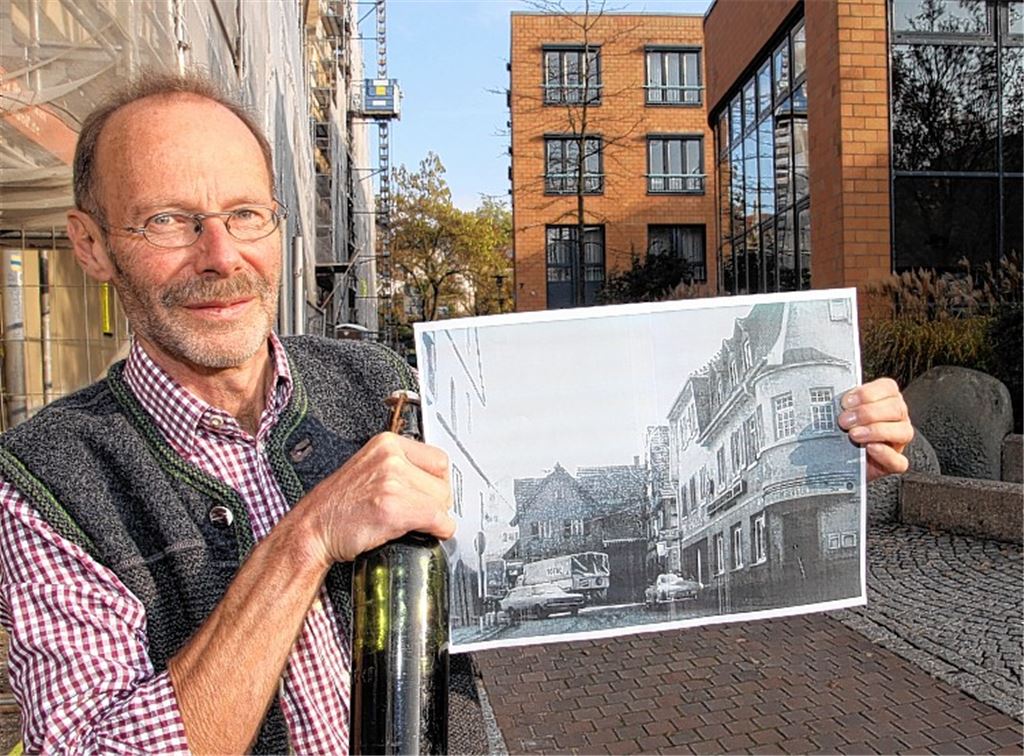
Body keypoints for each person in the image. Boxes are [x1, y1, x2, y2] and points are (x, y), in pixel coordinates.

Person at [0, 72, 913, 754]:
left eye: (246, 214)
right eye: (167, 220)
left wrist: (834, 444)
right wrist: (305, 538)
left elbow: (543, 469)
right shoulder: (49, 479)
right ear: (90, 244)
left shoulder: (381, 385)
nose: (219, 254)